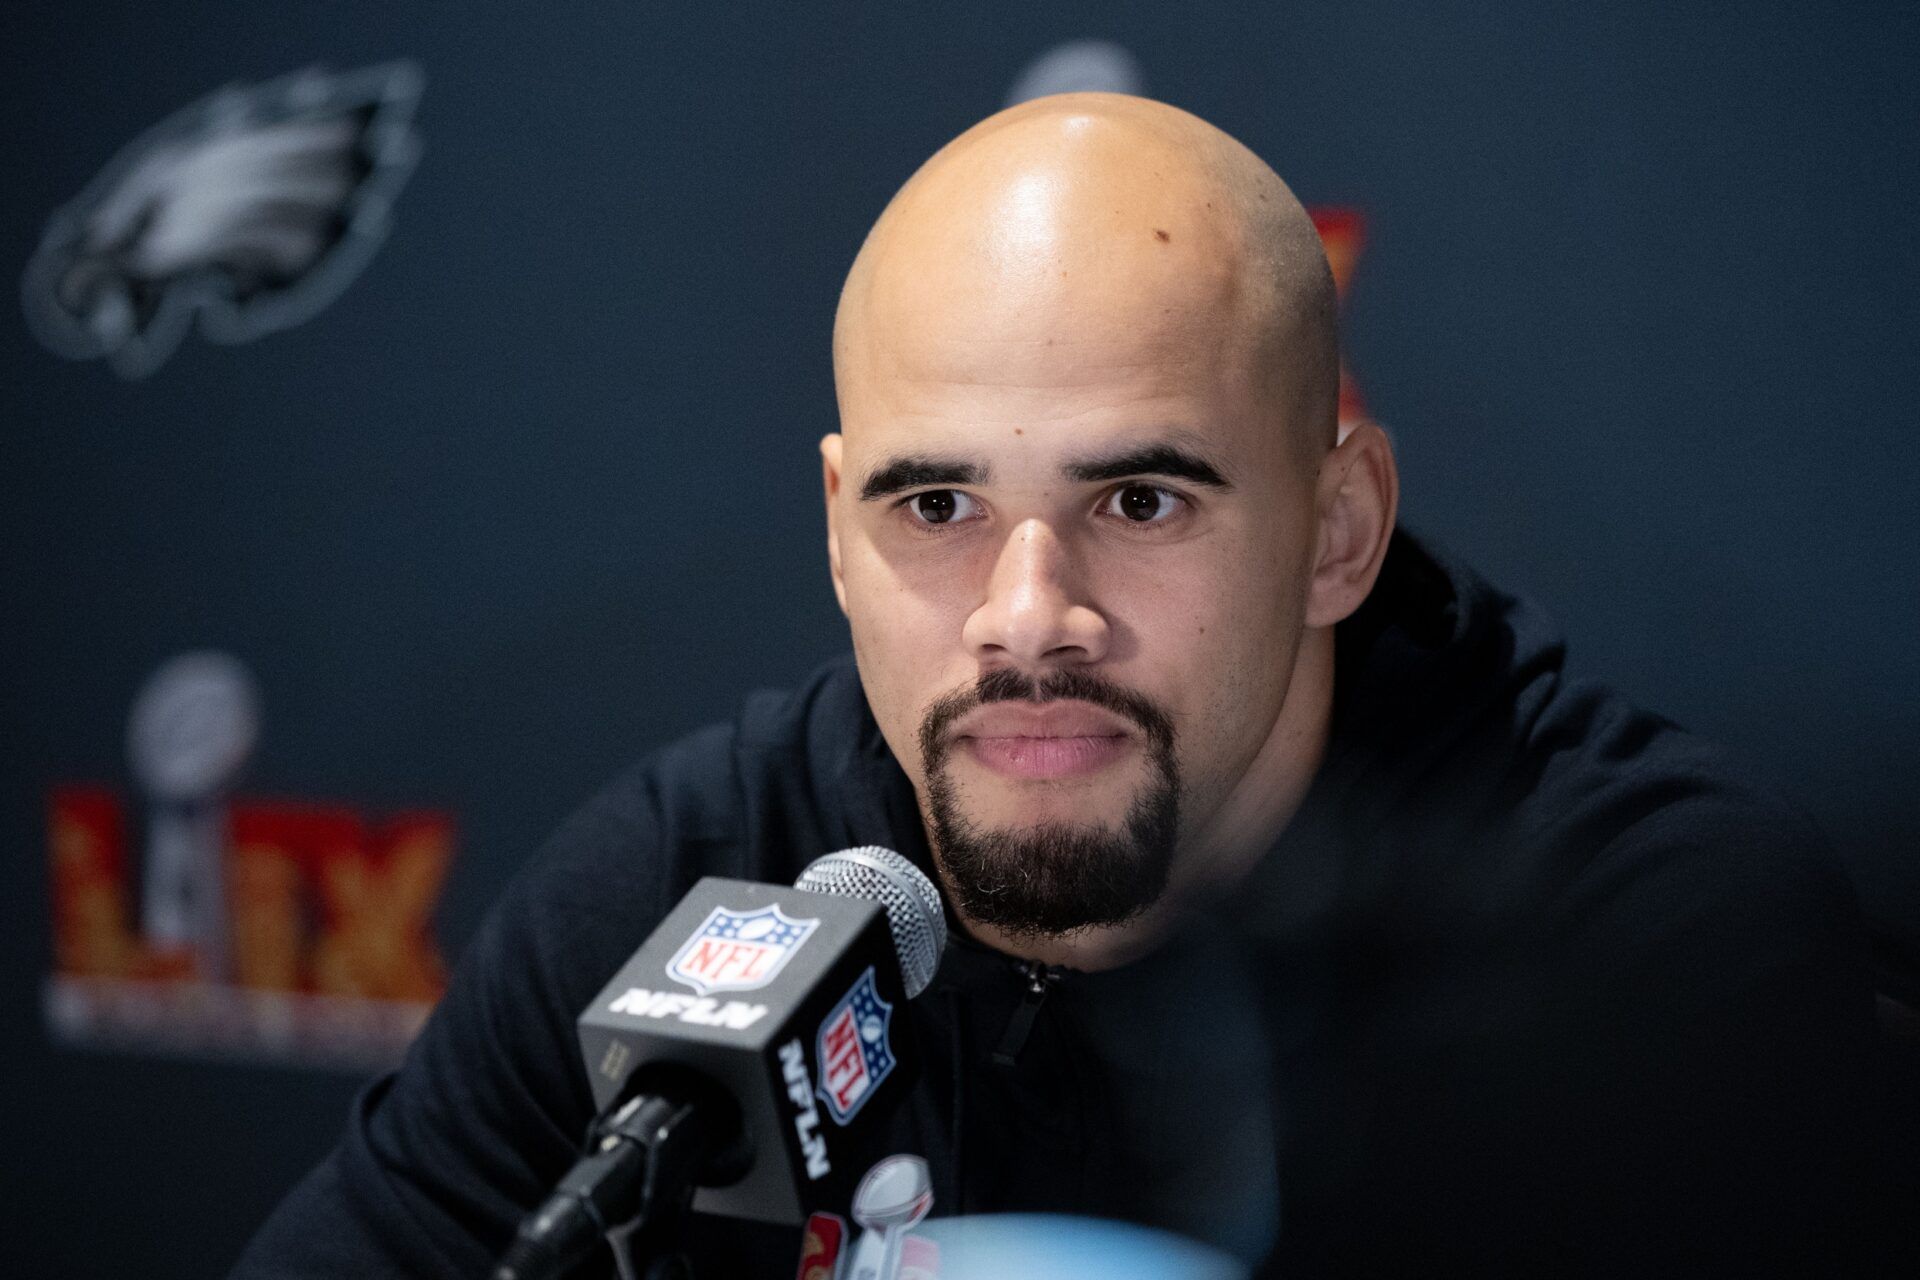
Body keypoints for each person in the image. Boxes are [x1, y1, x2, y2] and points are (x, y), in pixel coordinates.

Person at [231, 93, 1896, 1278]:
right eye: (937, 507)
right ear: (835, 529)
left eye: (1140, 501)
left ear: (1338, 533)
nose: (1029, 619)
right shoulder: (702, 883)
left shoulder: (1647, 955)